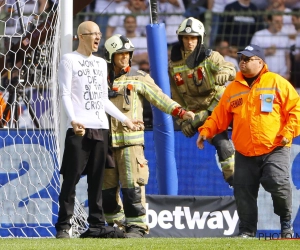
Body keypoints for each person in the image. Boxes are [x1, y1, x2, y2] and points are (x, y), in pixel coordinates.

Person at [197, 44, 300, 238]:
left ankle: (286, 224)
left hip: (275, 147)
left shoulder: (277, 82)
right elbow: (219, 115)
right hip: (244, 151)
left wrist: (289, 131)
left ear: (260, 62)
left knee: (278, 183)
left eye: (247, 59)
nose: (242, 62)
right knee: (243, 191)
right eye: (241, 59)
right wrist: (206, 130)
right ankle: (247, 231)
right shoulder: (233, 88)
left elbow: (296, 109)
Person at [102, 34, 195, 238]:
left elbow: (160, 98)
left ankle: (137, 228)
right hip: (104, 144)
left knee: (132, 187)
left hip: (131, 143)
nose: (125, 58)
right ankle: (114, 225)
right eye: (120, 54)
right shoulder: (99, 79)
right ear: (110, 55)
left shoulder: (139, 78)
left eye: (128, 53)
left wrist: (181, 112)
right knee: (106, 191)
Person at [55, 21, 138, 239]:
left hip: (100, 128)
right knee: (71, 180)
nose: (98, 38)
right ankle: (64, 226)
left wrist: (124, 119)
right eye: (94, 34)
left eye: (99, 34)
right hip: (79, 129)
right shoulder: (69, 60)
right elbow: (64, 93)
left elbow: (102, 99)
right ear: (81, 36)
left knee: (97, 180)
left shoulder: (101, 63)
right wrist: (73, 120)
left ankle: (96, 225)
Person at [168, 17, 236, 186]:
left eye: (194, 38)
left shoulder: (210, 57)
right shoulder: (173, 65)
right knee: (223, 146)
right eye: (186, 37)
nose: (190, 42)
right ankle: (235, 182)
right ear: (180, 39)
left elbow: (230, 68)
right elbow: (176, 97)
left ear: (200, 39)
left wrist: (225, 74)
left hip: (219, 107)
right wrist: (183, 121)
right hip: (197, 116)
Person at [250, 14, 291, 81]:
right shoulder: (259, 36)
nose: (280, 24)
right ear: (269, 21)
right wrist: (266, 52)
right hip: (264, 76)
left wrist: (288, 73)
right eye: (277, 21)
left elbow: (287, 57)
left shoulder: (285, 37)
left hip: (282, 76)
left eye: (281, 21)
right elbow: (250, 56)